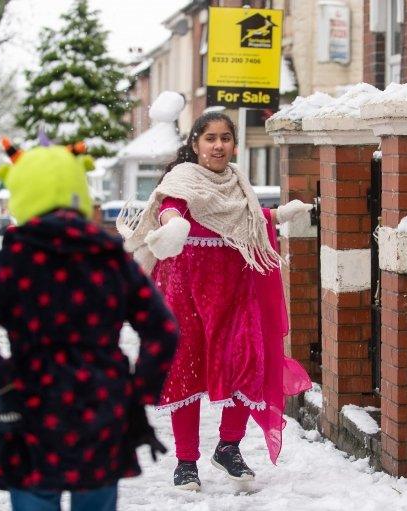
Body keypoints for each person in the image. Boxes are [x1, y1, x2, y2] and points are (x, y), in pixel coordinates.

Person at [0, 139, 179, 511]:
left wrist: (1, 383)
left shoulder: (13, 260)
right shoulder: (109, 258)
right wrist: (139, 391)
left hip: (29, 403)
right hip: (101, 403)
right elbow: (162, 329)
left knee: (35, 498)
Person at [117, 111, 313, 491]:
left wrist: (275, 216)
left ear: (233, 144)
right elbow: (171, 207)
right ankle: (186, 461)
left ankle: (229, 447)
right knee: (185, 369)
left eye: (225, 138)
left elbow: (242, 219)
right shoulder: (182, 179)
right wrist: (173, 225)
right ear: (195, 144)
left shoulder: (239, 183)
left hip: (234, 288)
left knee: (244, 361)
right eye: (210, 138)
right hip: (185, 288)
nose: (218, 145)